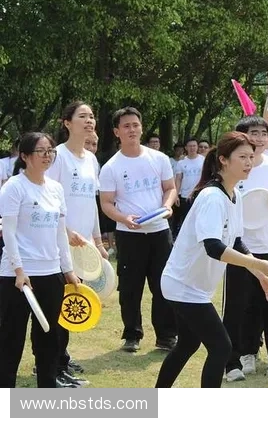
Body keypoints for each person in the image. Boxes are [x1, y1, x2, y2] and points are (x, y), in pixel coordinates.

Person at [155, 131, 268, 388]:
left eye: (251, 157)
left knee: (188, 344)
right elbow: (214, 247)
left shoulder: (234, 194)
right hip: (182, 285)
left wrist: (261, 275)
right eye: (242, 157)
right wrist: (258, 264)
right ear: (224, 160)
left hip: (195, 287)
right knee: (221, 347)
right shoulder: (212, 197)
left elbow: (236, 242)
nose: (249, 162)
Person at [0, 132, 80, 388]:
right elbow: (8, 232)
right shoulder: (14, 187)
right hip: (18, 278)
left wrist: (67, 269)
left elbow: (60, 233)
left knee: (49, 336)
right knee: (11, 339)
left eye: (51, 151)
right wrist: (18, 269)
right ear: (25, 156)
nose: (48, 156)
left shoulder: (56, 189)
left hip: (51, 273)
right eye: (41, 151)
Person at [99, 107, 178, 352]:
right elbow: (106, 203)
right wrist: (123, 218)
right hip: (129, 234)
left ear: (141, 128)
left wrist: (167, 206)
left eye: (135, 125)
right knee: (130, 288)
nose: (132, 130)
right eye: (126, 126)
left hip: (159, 231)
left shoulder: (159, 159)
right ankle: (132, 334)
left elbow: (170, 188)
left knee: (162, 284)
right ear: (117, 132)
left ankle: (166, 335)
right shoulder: (111, 167)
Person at [46, 101, 108, 388]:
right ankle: (51, 366)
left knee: (70, 301)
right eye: (82, 116)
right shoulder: (58, 156)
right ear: (67, 123)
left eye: (91, 116)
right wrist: (66, 231)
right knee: (58, 307)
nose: (89, 120)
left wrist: (98, 240)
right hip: (58, 244)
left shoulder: (91, 160)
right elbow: (47, 199)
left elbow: (91, 204)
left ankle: (61, 360)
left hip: (81, 248)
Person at [222, 116, 268, 382]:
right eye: (253, 133)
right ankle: (237, 358)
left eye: (263, 133)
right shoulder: (233, 168)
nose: (259, 138)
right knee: (240, 306)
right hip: (239, 248)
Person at [173, 138, 204, 237]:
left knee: (200, 219)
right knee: (186, 220)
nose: (192, 148)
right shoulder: (181, 162)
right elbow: (178, 179)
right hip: (185, 195)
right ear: (186, 148)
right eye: (190, 146)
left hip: (201, 194)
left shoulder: (203, 160)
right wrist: (176, 195)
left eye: (194, 146)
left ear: (197, 147)